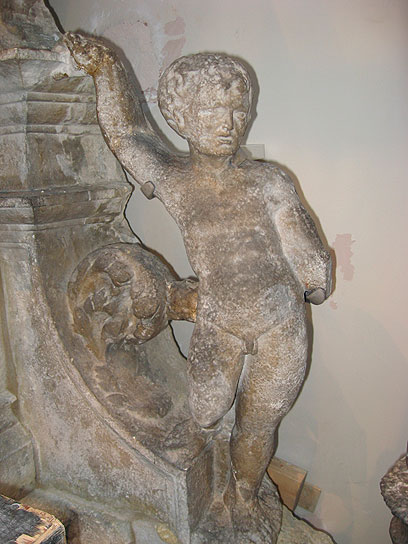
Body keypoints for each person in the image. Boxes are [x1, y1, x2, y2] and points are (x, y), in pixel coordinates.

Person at [65, 32, 332, 543]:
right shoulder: (176, 179)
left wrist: (315, 280)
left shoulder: (269, 181)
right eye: (212, 111)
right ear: (181, 118)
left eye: (238, 110)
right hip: (219, 318)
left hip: (280, 324)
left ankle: (244, 496)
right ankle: (213, 457)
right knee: (207, 409)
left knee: (258, 423)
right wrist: (107, 69)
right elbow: (127, 136)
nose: (229, 123)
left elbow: (306, 252)